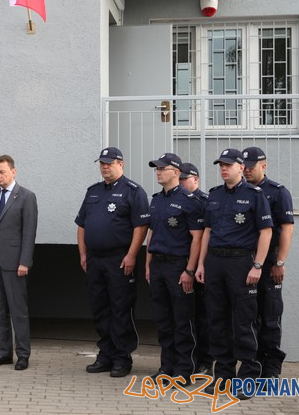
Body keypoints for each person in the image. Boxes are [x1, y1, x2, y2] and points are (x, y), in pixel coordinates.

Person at [195, 148, 272, 399]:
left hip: (241, 263)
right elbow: (207, 231)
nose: (223, 169)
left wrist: (258, 265)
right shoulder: (215, 195)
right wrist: (201, 264)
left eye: (228, 165)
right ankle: (224, 376)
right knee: (217, 320)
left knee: (244, 321)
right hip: (216, 262)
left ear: (241, 167)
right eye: (221, 165)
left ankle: (248, 376)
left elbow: (266, 232)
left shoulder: (254, 195)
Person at [75, 147, 149, 378]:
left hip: (120, 259)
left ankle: (121, 358)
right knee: (100, 308)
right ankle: (105, 354)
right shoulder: (93, 191)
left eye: (109, 163)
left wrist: (131, 255)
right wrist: (83, 254)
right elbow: (82, 225)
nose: (105, 167)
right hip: (96, 259)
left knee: (120, 309)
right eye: (102, 163)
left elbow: (141, 227)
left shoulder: (133, 191)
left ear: (121, 164)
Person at [144, 153, 204, 382]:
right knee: (163, 320)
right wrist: (148, 264)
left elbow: (197, 239)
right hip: (158, 264)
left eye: (162, 168)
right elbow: (152, 234)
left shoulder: (190, 201)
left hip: (178, 266)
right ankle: (166, 368)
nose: (158, 172)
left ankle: (184, 370)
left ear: (176, 172)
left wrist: (189, 270)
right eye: (156, 169)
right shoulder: (156, 200)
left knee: (182, 320)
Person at [0, 155, 38, 371]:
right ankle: (3, 352)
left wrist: (25, 261)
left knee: (17, 310)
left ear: (13, 171)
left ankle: (23, 354)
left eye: (2, 171)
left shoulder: (26, 197)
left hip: (15, 264)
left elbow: (29, 233)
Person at [242, 146, 294, 379]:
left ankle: (270, 370)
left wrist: (279, 262)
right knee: (248, 317)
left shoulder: (277, 192)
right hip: (244, 261)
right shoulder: (239, 191)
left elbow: (286, 230)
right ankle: (252, 366)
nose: (246, 171)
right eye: (243, 167)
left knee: (270, 316)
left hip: (269, 261)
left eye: (251, 167)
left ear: (264, 166)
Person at [178, 162, 212, 375]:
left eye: (185, 179)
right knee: (183, 318)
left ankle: (206, 361)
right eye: (179, 179)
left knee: (202, 316)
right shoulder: (174, 200)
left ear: (195, 180)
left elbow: (205, 236)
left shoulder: (204, 201)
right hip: (179, 264)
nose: (181, 182)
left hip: (200, 268)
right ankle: (186, 361)